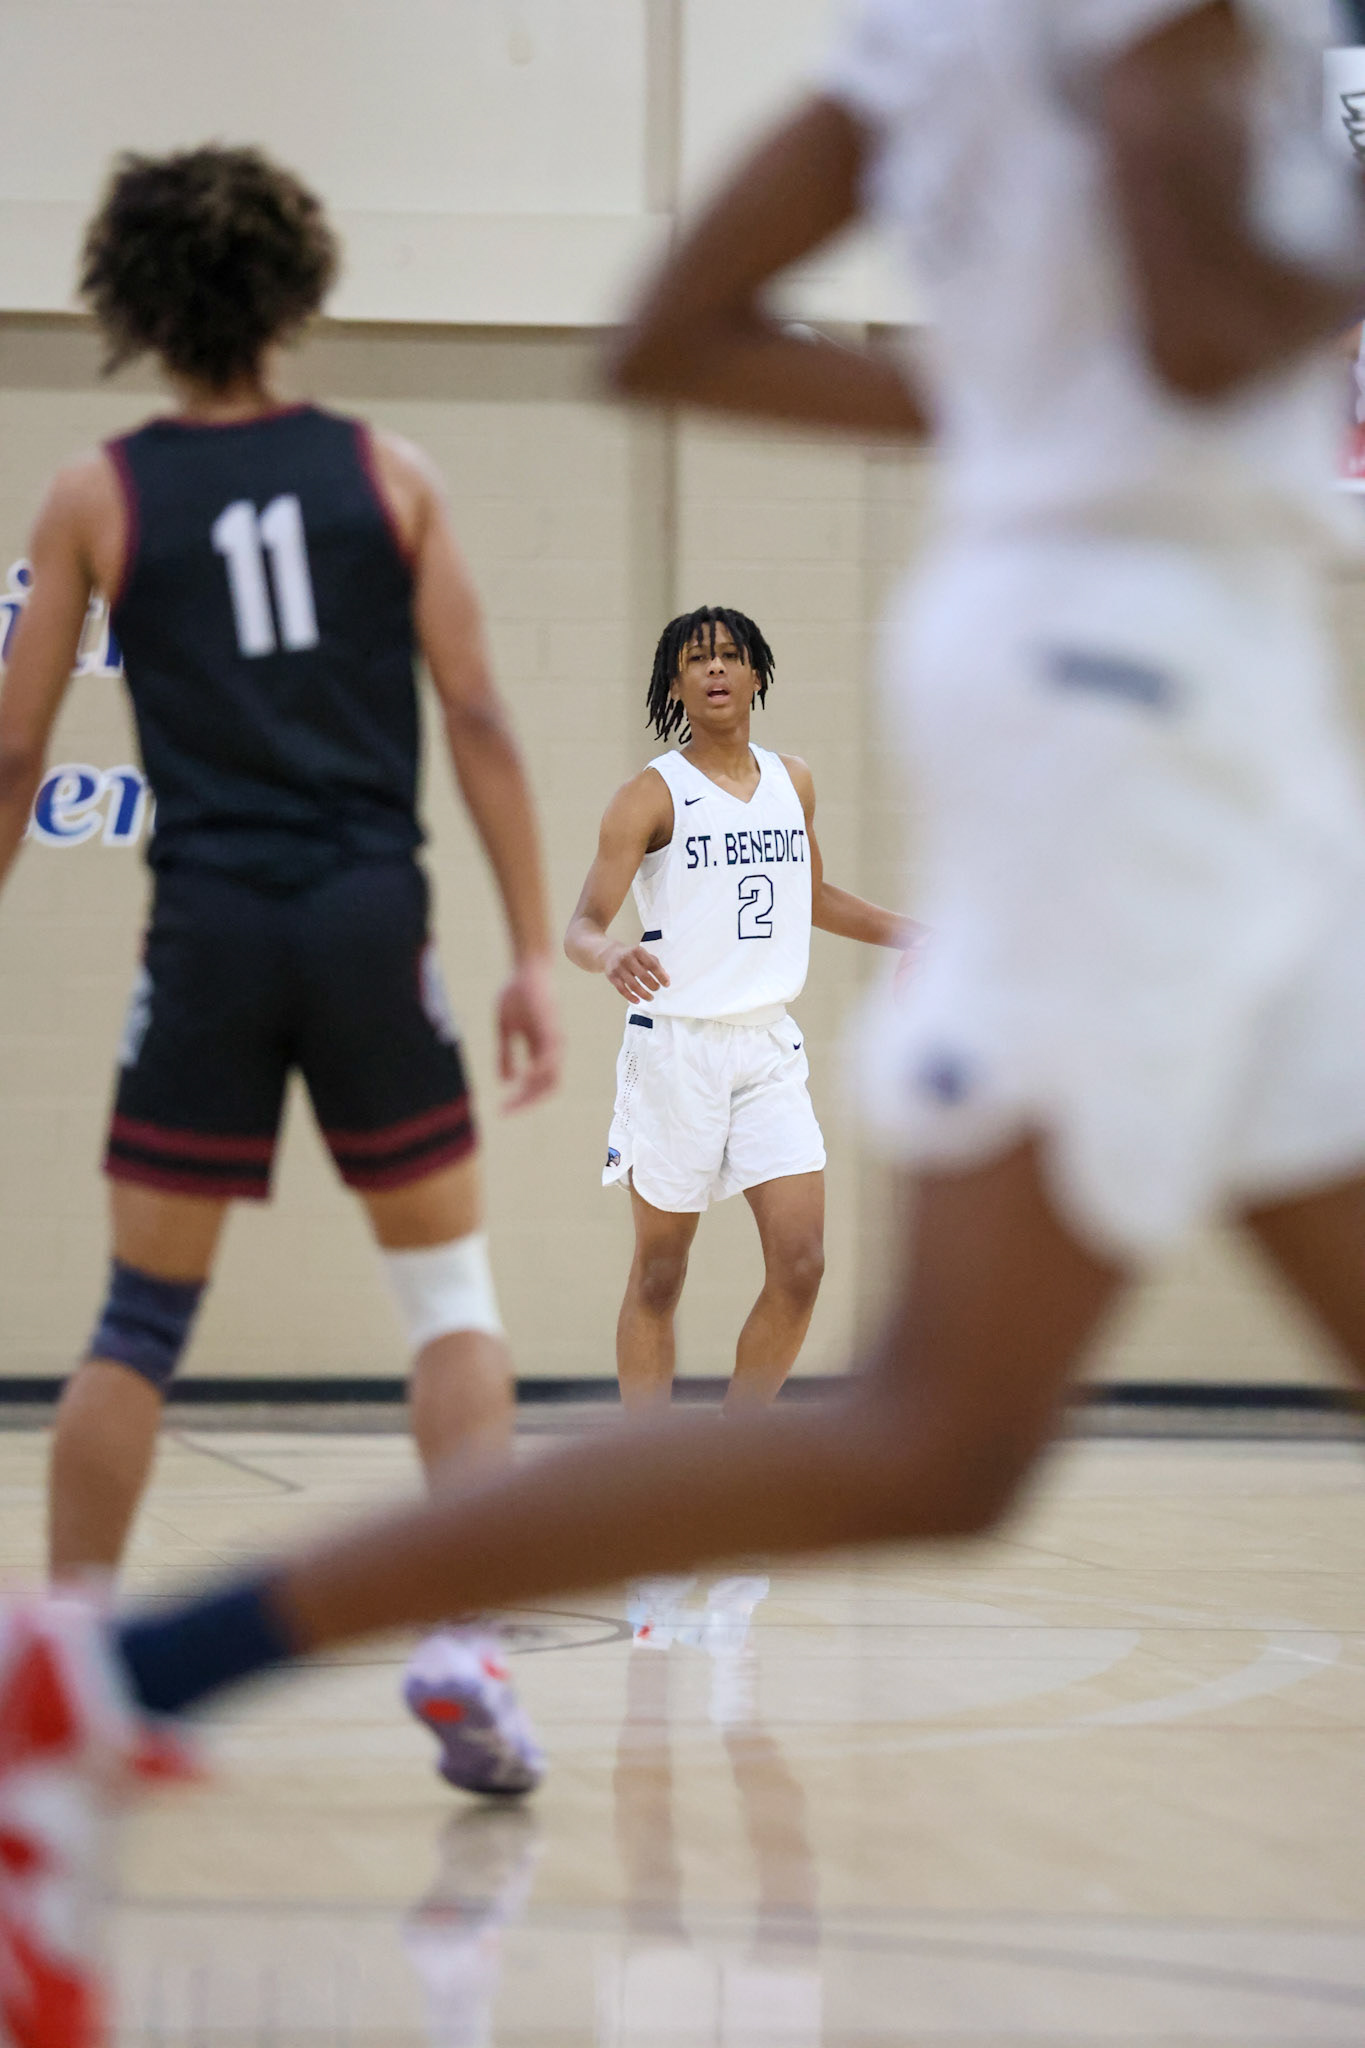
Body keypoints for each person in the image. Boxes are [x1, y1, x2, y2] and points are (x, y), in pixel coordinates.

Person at [2, 5, 1365, 2041]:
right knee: (695, 1359)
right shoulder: (1133, 29)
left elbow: (669, 333)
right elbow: (1188, 320)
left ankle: (119, 1666)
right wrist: (558, 948)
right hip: (1115, 703)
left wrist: (1017, 409)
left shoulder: (106, 490)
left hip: (1135, 699)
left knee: (920, 1428)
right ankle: (164, 1666)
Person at [0, 145, 562, 1825]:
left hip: (216, 923)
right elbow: (475, 718)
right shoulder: (388, 472)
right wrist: (533, 942)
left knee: (139, 1319)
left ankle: (74, 1668)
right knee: (449, 1295)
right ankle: (466, 1644)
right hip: (369, 913)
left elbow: (19, 744)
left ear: (132, 303)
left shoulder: (97, 492)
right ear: (297, 284)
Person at [566, 604, 916, 1412]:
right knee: (659, 1272)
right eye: (697, 659)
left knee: (801, 1266)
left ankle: (731, 1458)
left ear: (756, 673)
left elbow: (815, 895)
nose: (715, 669)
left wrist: (916, 935)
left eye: (729, 656)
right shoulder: (649, 796)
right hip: (675, 1048)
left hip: (765, 1048)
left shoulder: (793, 781)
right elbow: (581, 925)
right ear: (676, 683)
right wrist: (611, 952)